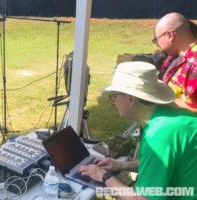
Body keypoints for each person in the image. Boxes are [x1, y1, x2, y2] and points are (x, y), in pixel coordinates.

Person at [78, 61, 197, 200]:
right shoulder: (172, 116)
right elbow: (160, 161)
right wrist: (121, 165)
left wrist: (104, 177)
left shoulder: (158, 136)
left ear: (130, 99)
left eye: (114, 96)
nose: (113, 101)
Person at [153, 12, 197, 112]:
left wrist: (160, 100)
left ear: (170, 35)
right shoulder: (175, 55)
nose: (157, 44)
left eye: (157, 39)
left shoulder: (195, 62)